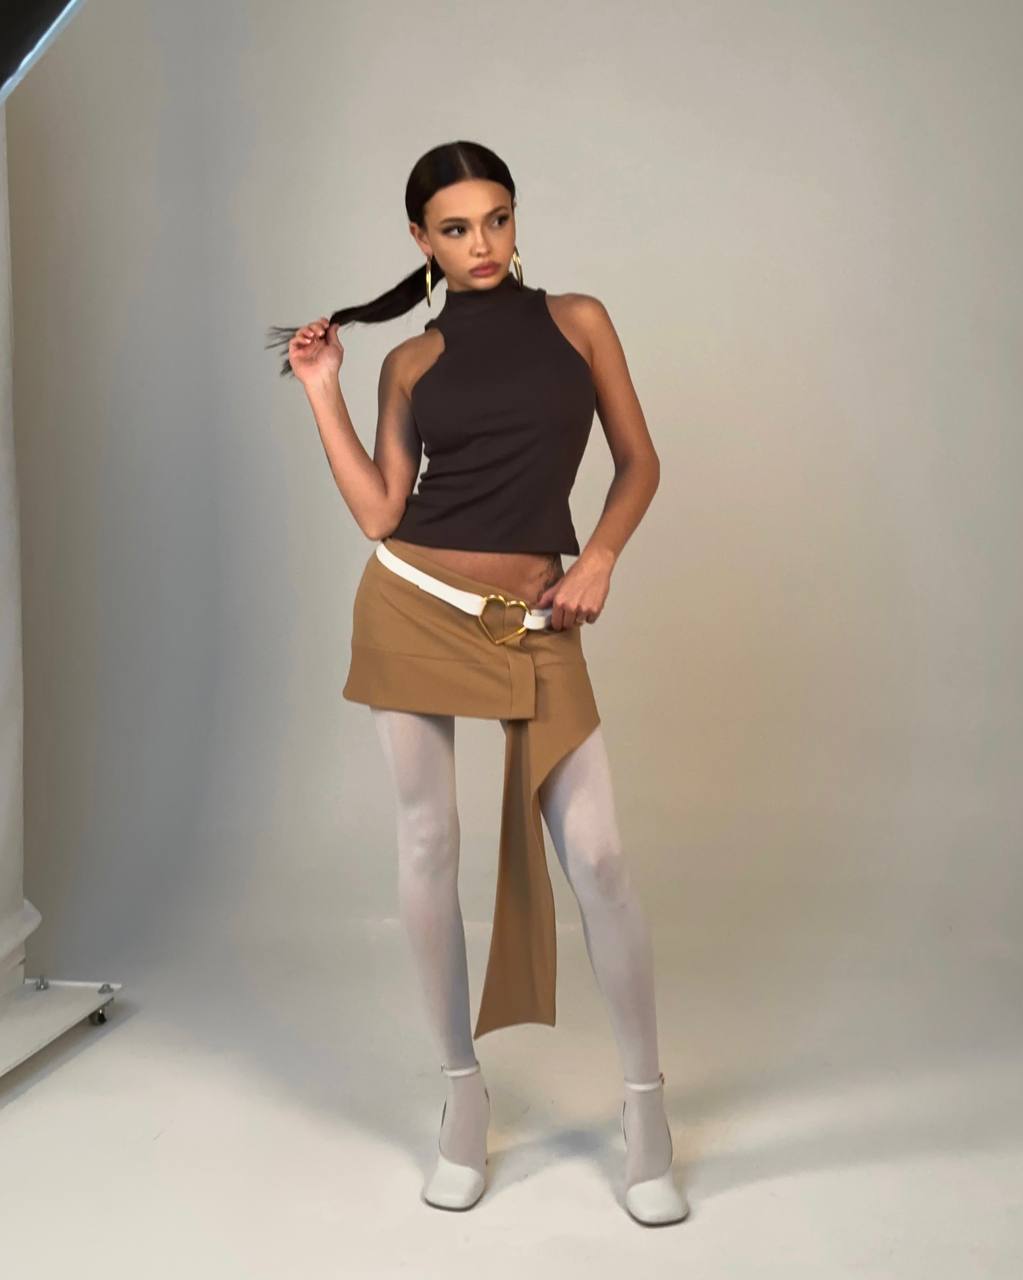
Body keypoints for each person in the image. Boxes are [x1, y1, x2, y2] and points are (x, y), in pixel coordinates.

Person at [266, 140, 688, 1227]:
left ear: (514, 217)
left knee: (600, 855)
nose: (482, 244)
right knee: (427, 842)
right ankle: (461, 1098)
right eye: (455, 229)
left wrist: (599, 558)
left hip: (537, 616)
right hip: (412, 601)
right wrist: (322, 389)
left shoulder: (579, 321)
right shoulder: (410, 362)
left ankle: (646, 1112)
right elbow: (380, 510)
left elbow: (639, 460)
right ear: (421, 240)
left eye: (496, 219)